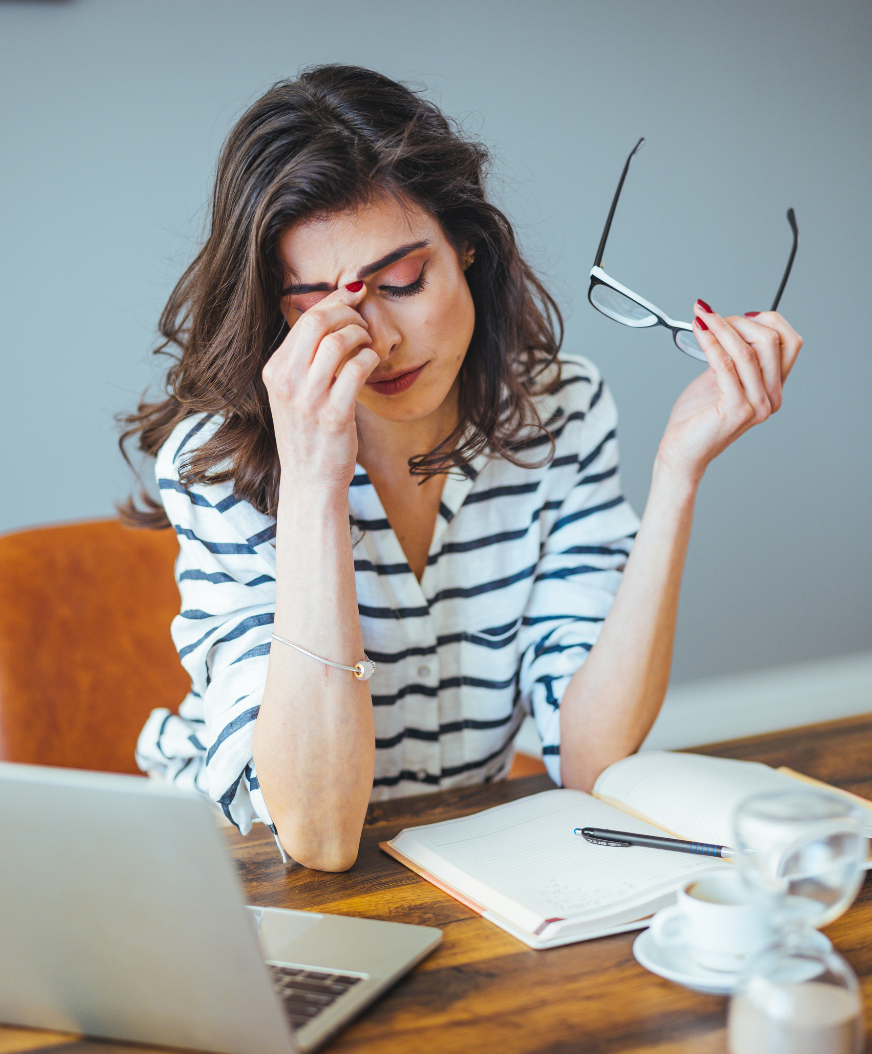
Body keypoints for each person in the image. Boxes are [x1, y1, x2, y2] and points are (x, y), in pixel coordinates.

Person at [122, 65, 802, 872]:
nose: (379, 340)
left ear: (468, 244)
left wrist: (678, 475)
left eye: (403, 282)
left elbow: (590, 762)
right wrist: (312, 486)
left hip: (450, 863)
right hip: (237, 876)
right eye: (320, 308)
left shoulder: (558, 412)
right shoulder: (218, 465)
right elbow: (318, 834)